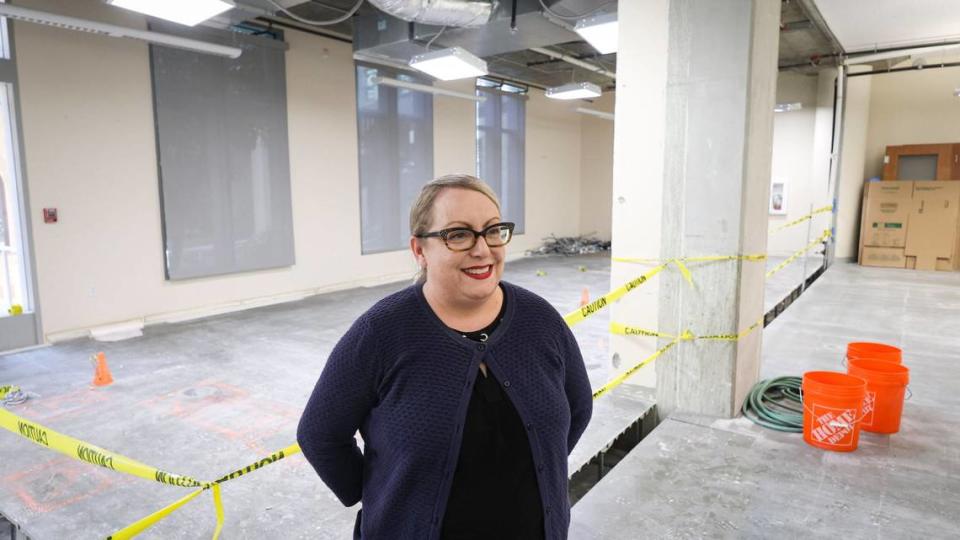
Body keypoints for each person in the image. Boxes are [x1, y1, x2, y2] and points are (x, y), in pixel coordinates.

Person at [297, 174, 593, 539]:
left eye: (492, 230)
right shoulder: (382, 332)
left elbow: (578, 407)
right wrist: (384, 491)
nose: (483, 249)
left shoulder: (540, 320)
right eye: (458, 234)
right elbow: (320, 434)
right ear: (419, 250)